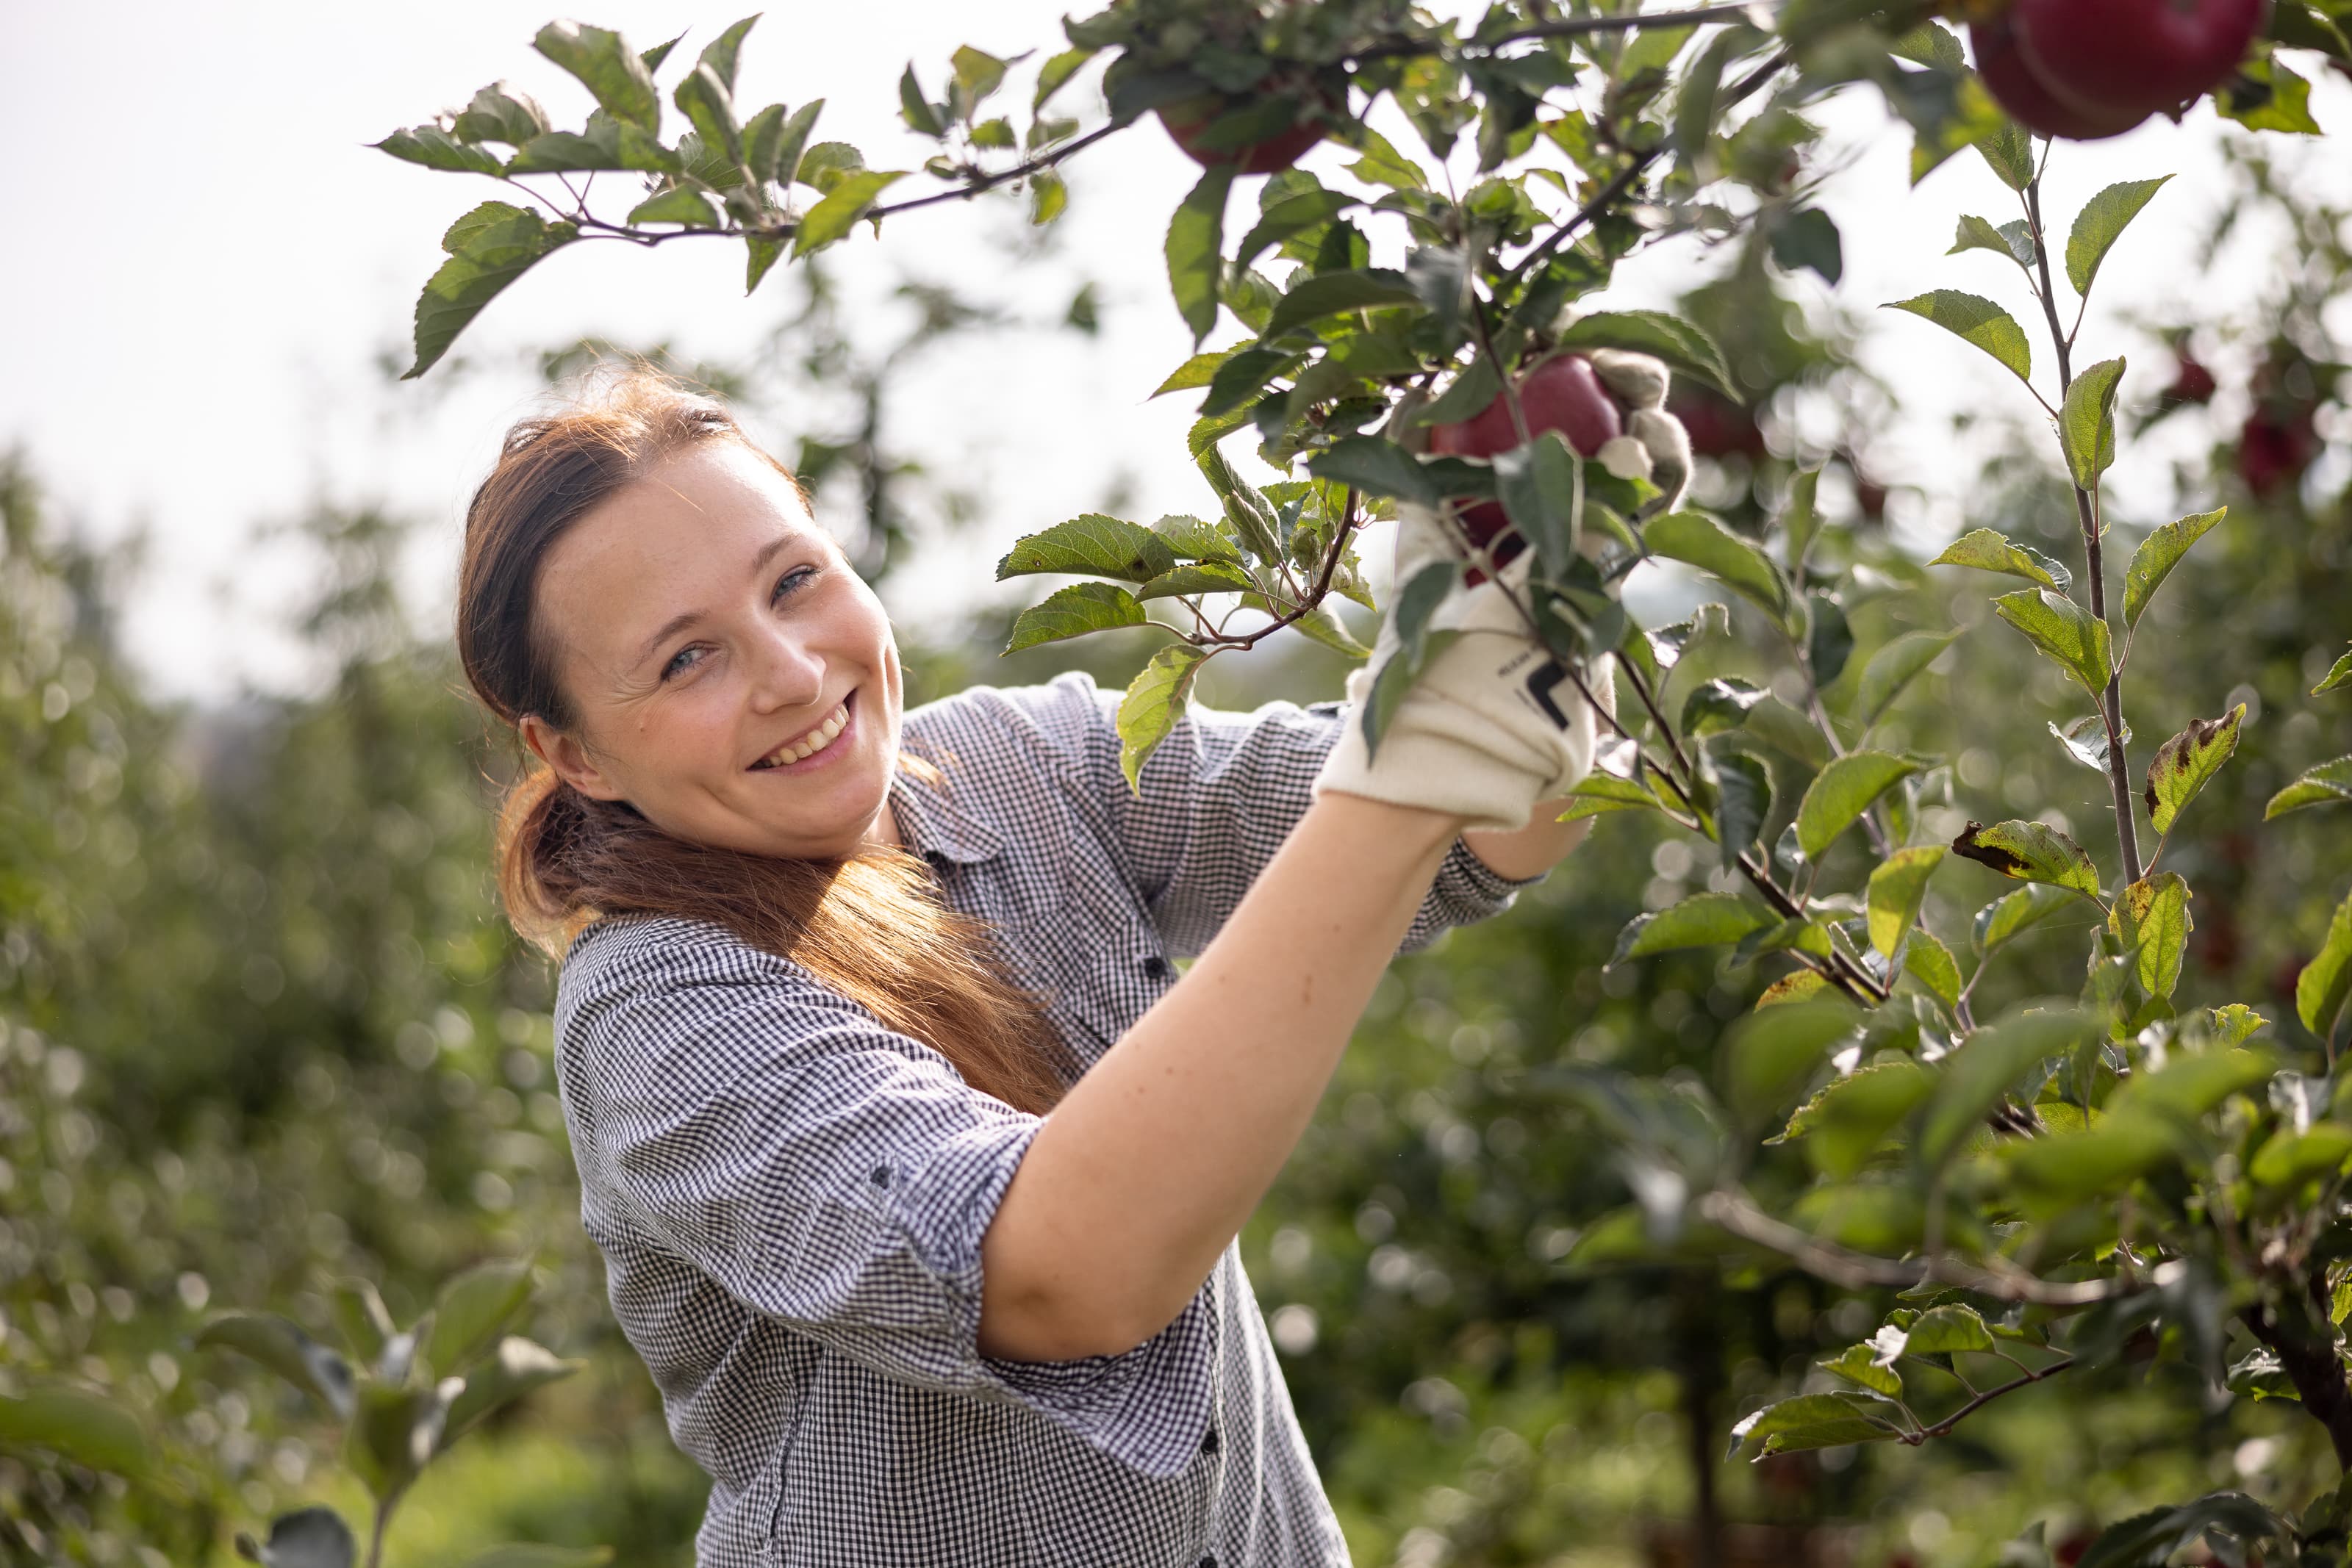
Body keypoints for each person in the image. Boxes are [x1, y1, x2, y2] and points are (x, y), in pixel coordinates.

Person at [453, 368, 1667, 1568]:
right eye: (685, 661)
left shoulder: (1016, 763)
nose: (788, 671)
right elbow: (1063, 1273)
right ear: (576, 752)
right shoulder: (657, 1010)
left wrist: (1549, 614)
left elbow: (1474, 834)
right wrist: (1419, 751)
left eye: (795, 580)